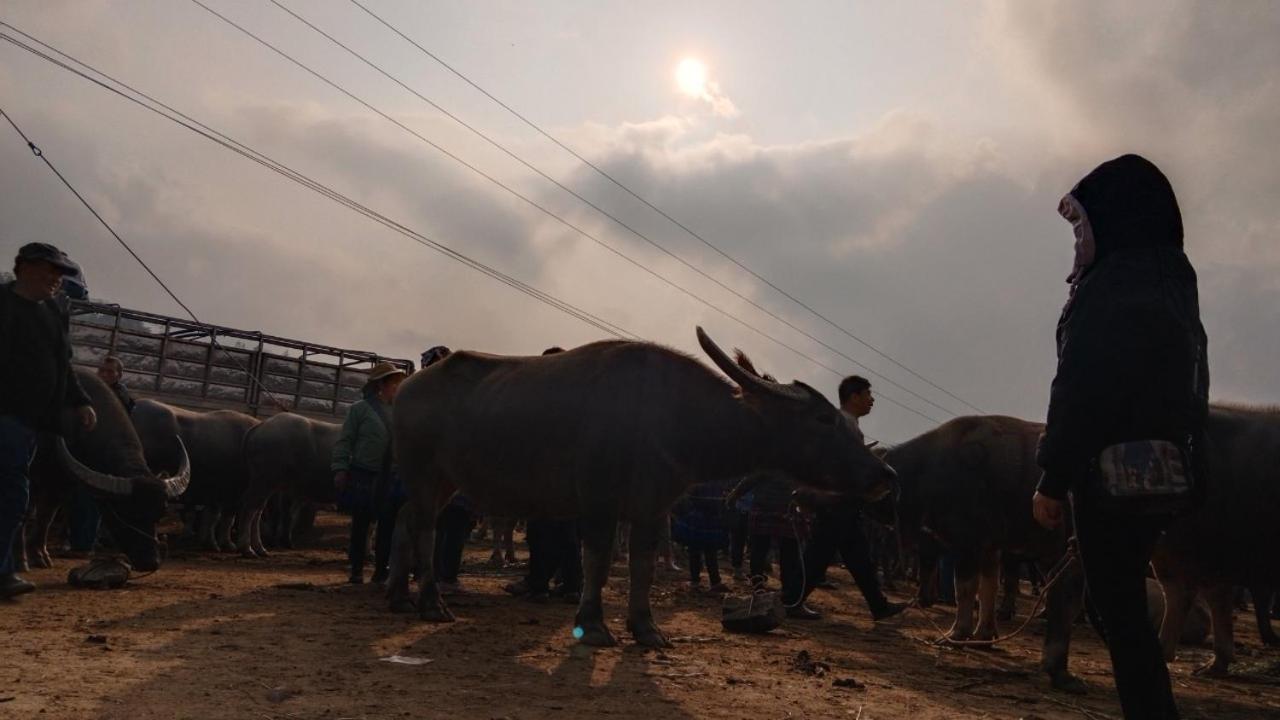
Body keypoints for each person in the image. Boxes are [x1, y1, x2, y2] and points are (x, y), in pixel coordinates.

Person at [1032, 155, 1208, 720]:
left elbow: (1079, 385)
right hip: (1163, 473)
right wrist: (1192, 461)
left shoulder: (1107, 286)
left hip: (1107, 473)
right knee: (1121, 604)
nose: (1080, 239)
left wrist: (1052, 478)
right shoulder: (1176, 283)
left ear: (1116, 219)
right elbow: (1195, 384)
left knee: (1118, 610)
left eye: (1083, 225)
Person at [0, 243, 97, 599]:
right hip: (5, 414)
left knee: (14, 493)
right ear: (24, 267)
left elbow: (62, 363)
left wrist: (81, 400)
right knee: (13, 490)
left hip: (31, 420)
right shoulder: (2, 303)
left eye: (60, 274)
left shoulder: (55, 311)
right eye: (50, 271)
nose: (56, 280)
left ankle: (3, 570)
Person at [800, 376, 908, 621]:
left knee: (858, 557)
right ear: (854, 396)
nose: (872, 400)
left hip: (842, 502)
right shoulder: (843, 425)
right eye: (867, 394)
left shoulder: (847, 425)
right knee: (819, 554)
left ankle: (878, 606)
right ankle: (791, 599)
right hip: (838, 501)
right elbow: (843, 466)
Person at [332, 361, 407, 585]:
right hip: (365, 472)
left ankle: (381, 570)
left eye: (398, 382)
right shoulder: (360, 410)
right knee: (361, 524)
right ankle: (356, 568)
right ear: (380, 385)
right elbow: (345, 441)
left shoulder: (402, 411)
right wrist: (340, 468)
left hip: (391, 474)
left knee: (388, 525)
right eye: (393, 382)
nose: (396, 386)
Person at [672, 480, 730, 593]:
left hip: (700, 519)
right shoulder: (717, 480)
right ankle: (714, 582)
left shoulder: (700, 479)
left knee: (696, 551)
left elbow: (689, 495)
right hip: (709, 519)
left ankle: (697, 581)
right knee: (708, 552)